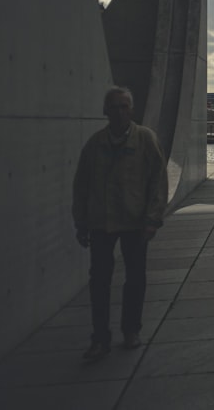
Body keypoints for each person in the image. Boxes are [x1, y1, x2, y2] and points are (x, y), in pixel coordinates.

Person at [72, 86, 168, 361]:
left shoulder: (146, 140)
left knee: (135, 278)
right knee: (99, 281)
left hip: (135, 221)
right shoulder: (95, 145)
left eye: (124, 106)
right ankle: (100, 337)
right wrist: (81, 222)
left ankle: (130, 330)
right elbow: (81, 186)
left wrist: (152, 219)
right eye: (113, 107)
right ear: (105, 111)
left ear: (132, 110)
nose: (119, 112)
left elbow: (158, 182)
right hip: (101, 222)